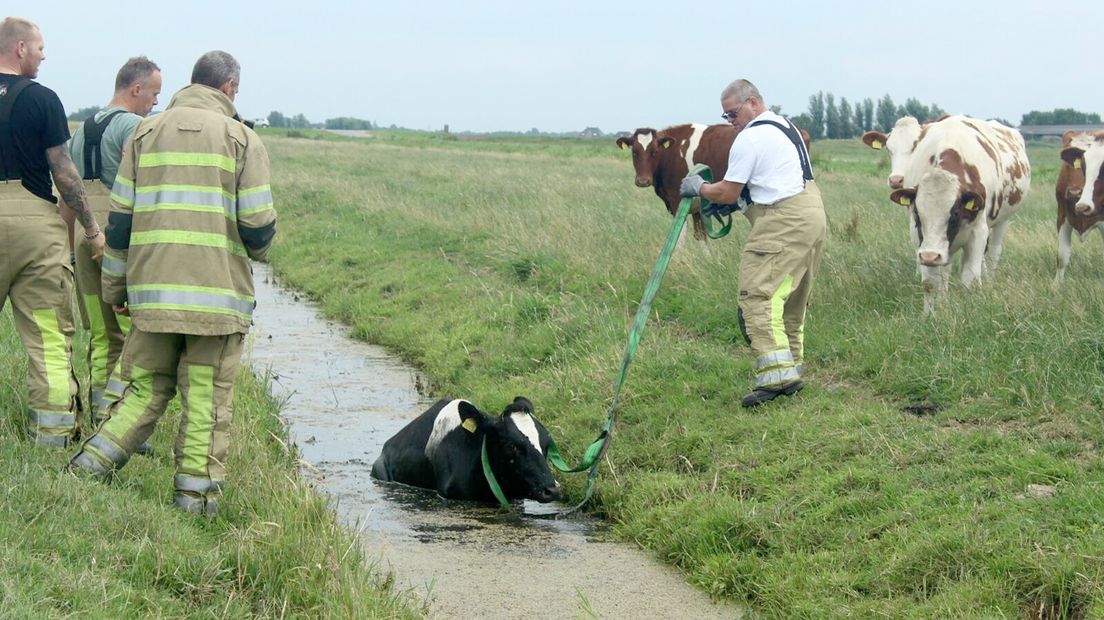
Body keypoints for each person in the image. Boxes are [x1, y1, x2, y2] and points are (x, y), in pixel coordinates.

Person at [69, 51, 276, 515]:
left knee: (141, 390)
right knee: (204, 398)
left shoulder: (144, 133)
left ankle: (86, 468)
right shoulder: (244, 139)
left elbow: (118, 224)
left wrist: (116, 290)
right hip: (217, 304)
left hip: (153, 297)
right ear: (228, 89)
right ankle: (194, 502)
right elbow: (259, 231)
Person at [680, 79, 827, 408]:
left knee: (757, 295)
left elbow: (728, 191)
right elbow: (766, 181)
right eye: (726, 116)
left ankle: (776, 377)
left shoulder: (751, 137)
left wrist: (699, 189)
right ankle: (791, 366)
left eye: (733, 113)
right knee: (789, 299)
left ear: (754, 103)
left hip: (782, 219)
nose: (731, 121)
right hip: (811, 213)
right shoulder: (783, 127)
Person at [0, 16, 104, 446]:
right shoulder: (42, 99)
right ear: (20, 48)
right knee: (47, 334)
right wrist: (92, 228)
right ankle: (55, 436)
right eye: (40, 47)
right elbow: (63, 172)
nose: (45, 55)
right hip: (33, 226)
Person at [68, 56, 161, 429]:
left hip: (82, 235)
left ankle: (96, 411)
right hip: (119, 237)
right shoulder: (136, 127)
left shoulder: (80, 130)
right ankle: (118, 420)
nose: (155, 103)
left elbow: (66, 198)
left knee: (101, 334)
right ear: (136, 89)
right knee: (128, 334)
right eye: (154, 93)